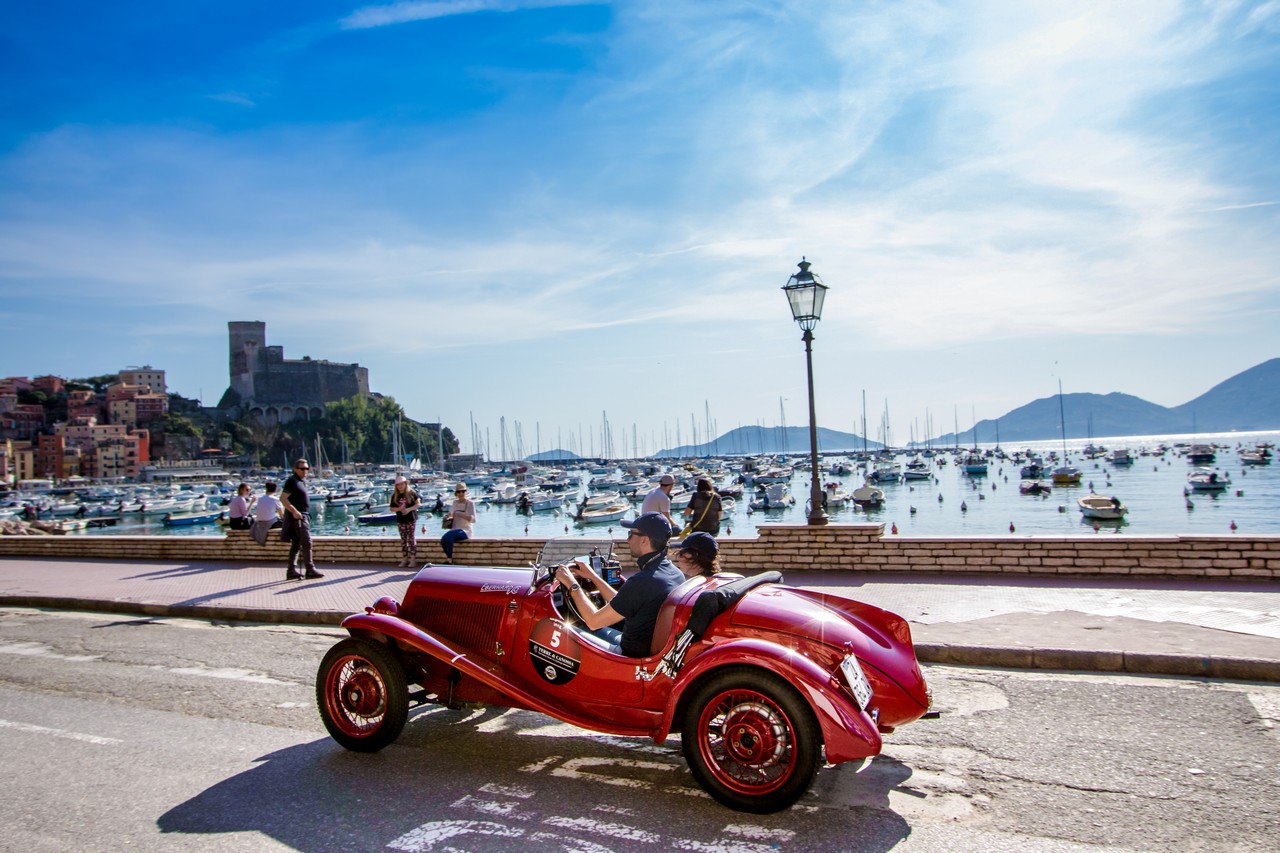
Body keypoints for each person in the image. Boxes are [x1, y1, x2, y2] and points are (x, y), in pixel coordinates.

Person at [553, 512, 684, 657]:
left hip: (627, 655)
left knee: (563, 629)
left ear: (644, 540)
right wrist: (593, 577)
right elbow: (624, 601)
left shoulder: (642, 581)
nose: (627, 540)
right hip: (648, 649)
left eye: (630, 534)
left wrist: (572, 585)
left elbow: (593, 621)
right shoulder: (674, 573)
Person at [280, 459, 323, 580]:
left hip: (302, 515)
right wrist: (294, 511)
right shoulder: (292, 481)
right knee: (306, 542)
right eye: (302, 468)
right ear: (295, 469)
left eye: (307, 469)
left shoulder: (301, 481)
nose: (305, 471)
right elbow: (283, 498)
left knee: (297, 543)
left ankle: (291, 570)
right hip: (298, 517)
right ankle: (309, 569)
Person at [440, 482, 476, 563]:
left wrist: (461, 515)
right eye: (459, 492)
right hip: (455, 528)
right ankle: (449, 558)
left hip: (466, 530)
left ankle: (449, 560)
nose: (461, 494)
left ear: (466, 492)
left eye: (463, 491)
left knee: (449, 535)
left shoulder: (470, 503)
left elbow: (474, 520)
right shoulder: (455, 503)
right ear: (456, 493)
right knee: (443, 540)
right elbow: (450, 514)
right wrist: (446, 517)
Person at [390, 475, 421, 568]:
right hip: (401, 520)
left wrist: (409, 509)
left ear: (405, 483)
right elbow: (391, 508)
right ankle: (404, 558)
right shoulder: (395, 496)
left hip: (411, 519)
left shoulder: (412, 493)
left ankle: (413, 559)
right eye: (398, 485)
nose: (400, 486)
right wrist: (399, 509)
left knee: (411, 539)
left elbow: (418, 504)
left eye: (401, 484)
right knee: (403, 540)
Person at [251, 481, 283, 546]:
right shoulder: (275, 499)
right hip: (270, 523)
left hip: (259, 523)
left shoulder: (260, 499)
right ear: (275, 489)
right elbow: (281, 514)